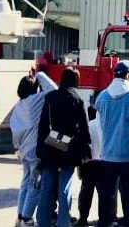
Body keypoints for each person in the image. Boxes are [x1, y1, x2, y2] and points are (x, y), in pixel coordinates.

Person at [95, 60, 129, 227]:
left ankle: (103, 223)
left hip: (108, 154)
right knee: (128, 195)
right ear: (127, 76)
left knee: (105, 194)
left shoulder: (102, 96)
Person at [36, 68, 92, 227]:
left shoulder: (50, 97)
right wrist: (86, 152)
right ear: (76, 80)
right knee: (65, 189)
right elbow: (84, 128)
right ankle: (63, 222)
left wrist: (40, 151)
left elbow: (43, 125)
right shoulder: (78, 99)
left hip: (50, 147)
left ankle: (42, 222)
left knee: (46, 188)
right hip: (69, 149)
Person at [10, 72, 58, 227]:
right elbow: (53, 89)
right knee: (35, 186)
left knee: (25, 184)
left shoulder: (18, 106)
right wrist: (40, 74)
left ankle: (20, 216)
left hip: (23, 150)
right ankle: (27, 218)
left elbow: (15, 133)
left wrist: (18, 148)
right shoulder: (35, 100)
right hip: (35, 151)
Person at [77, 98, 113, 227]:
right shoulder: (109, 126)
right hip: (106, 162)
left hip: (90, 163)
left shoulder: (90, 125)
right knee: (105, 194)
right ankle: (105, 220)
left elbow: (83, 143)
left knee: (87, 192)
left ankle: (83, 219)